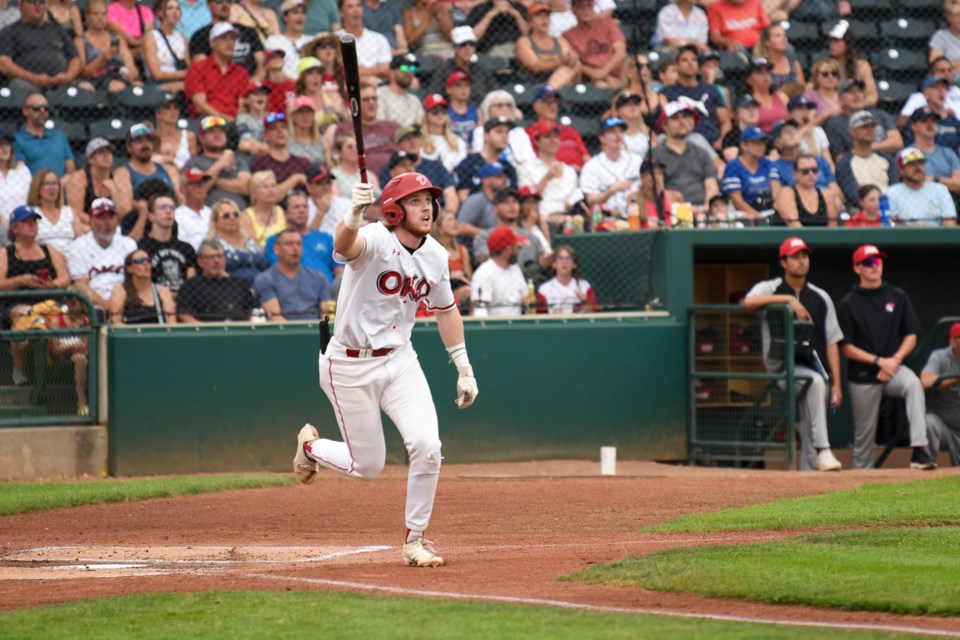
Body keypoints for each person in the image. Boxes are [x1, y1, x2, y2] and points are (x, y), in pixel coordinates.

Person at [294, 173, 477, 568]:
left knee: (428, 447)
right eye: (415, 201)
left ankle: (416, 539)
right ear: (394, 209)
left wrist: (463, 367)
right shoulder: (375, 237)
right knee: (368, 467)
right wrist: (354, 211)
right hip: (348, 363)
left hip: (399, 359)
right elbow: (343, 247)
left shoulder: (436, 256)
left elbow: (446, 310)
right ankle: (309, 446)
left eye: (429, 199)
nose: (426, 207)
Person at [743, 237, 843, 472]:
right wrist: (787, 300)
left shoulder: (820, 296)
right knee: (815, 384)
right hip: (781, 365)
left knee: (814, 399)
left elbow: (832, 342)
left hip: (810, 363)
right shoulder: (772, 287)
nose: (801, 261)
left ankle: (808, 471)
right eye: (795, 257)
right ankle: (823, 450)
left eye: (804, 256)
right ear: (784, 262)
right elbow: (748, 303)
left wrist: (837, 383)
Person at [837, 244, 935, 471]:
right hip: (863, 374)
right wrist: (878, 361)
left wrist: (894, 360)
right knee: (864, 438)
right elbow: (846, 347)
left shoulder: (897, 296)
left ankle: (920, 449)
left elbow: (911, 335)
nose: (875, 267)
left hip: (894, 369)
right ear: (857, 268)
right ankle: (862, 479)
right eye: (869, 263)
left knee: (913, 385)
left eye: (878, 262)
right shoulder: (849, 303)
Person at [0, 205, 72, 387]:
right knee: (27, 314)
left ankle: (59, 365)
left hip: (49, 300)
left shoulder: (49, 250)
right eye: (26, 221)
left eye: (34, 221)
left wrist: (52, 285)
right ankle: (19, 368)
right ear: (14, 228)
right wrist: (22, 280)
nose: (32, 225)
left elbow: (65, 277)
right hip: (16, 302)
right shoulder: (5, 253)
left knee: (57, 314)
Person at [65, 198, 138, 313]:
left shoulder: (128, 244)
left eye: (111, 217)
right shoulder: (78, 246)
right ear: (91, 221)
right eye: (101, 218)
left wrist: (119, 305)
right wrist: (108, 307)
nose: (107, 223)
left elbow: (135, 281)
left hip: (127, 301)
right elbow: (82, 285)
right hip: (94, 304)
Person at [0, 0, 84, 94]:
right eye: (32, 2)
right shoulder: (10, 31)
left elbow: (75, 58)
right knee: (19, 86)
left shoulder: (57, 29)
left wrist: (68, 76)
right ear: (21, 6)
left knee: (86, 87)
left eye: (41, 2)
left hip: (62, 82)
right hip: (28, 83)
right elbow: (3, 63)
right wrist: (34, 78)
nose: (38, 5)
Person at [113, 123, 177, 241]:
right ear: (129, 147)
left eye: (148, 140)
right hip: (139, 225)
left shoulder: (166, 169)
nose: (145, 144)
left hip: (168, 225)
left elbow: (179, 199)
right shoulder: (123, 172)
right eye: (139, 141)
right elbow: (125, 208)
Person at [660, 44, 731, 149]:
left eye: (694, 60)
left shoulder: (711, 90)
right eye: (684, 60)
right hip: (684, 142)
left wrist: (721, 141)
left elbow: (725, 122)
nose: (690, 63)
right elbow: (667, 123)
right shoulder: (667, 92)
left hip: (712, 142)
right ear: (676, 65)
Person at [264, 190, 340, 285]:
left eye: (305, 206)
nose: (302, 210)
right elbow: (280, 272)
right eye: (296, 207)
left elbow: (340, 271)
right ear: (285, 213)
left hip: (329, 293)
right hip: (296, 292)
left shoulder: (325, 238)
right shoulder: (275, 241)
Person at [324, 81, 399, 177]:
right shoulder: (346, 129)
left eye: (374, 98)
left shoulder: (392, 127)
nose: (371, 102)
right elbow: (338, 158)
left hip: (393, 176)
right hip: (359, 178)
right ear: (356, 104)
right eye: (366, 99)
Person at [653, 101, 720, 208]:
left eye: (686, 117)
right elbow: (657, 192)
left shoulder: (701, 152)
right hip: (673, 211)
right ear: (665, 125)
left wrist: (707, 208)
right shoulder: (655, 155)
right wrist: (686, 209)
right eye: (675, 118)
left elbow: (711, 186)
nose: (682, 122)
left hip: (704, 210)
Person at [176, 239, 256, 322]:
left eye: (220, 256)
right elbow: (183, 314)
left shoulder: (240, 284)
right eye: (211, 257)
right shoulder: (191, 286)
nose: (216, 261)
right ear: (200, 262)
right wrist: (206, 331)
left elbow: (249, 312)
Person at [578, 116, 641, 219]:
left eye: (621, 131)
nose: (618, 136)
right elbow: (591, 200)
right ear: (602, 138)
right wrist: (611, 190)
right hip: (607, 219)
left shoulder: (636, 161)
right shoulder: (592, 166)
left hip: (636, 215)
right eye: (612, 132)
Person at [185, 22, 251, 119]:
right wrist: (223, 118)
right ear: (212, 43)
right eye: (224, 38)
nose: (229, 42)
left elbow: (242, 105)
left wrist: (235, 120)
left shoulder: (241, 72)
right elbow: (199, 106)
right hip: (206, 120)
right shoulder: (198, 69)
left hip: (234, 121)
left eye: (232, 38)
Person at [823, 79, 902, 160]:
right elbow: (840, 158)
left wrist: (865, 148)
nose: (856, 95)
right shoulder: (835, 123)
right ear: (840, 100)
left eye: (859, 91)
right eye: (850, 92)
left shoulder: (880, 114)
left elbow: (897, 142)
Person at [184, 116, 252, 209]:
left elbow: (246, 188)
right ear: (202, 138)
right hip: (209, 215)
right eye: (211, 132)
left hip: (240, 214)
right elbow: (199, 188)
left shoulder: (239, 161)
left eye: (221, 131)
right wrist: (220, 164)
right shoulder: (194, 162)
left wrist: (211, 179)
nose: (217, 135)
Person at [517, 120, 580, 220]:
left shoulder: (569, 171)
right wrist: (547, 177)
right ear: (537, 141)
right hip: (541, 218)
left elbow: (575, 198)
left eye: (555, 136)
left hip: (567, 218)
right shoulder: (526, 168)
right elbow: (527, 202)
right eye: (547, 136)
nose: (553, 140)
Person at [834, 111, 898, 209]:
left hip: (890, 207)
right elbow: (853, 195)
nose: (870, 130)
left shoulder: (888, 160)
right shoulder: (844, 164)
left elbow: (895, 189)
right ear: (853, 132)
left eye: (872, 126)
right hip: (862, 212)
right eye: (864, 127)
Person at [138, 193, 197, 295]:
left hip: (184, 300)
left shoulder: (186, 248)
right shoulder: (142, 247)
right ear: (151, 216)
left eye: (171, 208)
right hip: (154, 300)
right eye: (162, 208)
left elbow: (191, 283)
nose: (168, 211)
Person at [189, 0, 264, 79]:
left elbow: (262, 63)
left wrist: (252, 83)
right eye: (219, 1)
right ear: (208, 5)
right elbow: (201, 68)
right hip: (218, 83)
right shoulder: (200, 36)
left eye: (228, 1)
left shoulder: (248, 31)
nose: (224, 4)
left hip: (251, 82)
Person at [886, 147, 958, 227]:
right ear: (901, 170)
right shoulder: (891, 193)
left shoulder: (940, 190)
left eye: (920, 163)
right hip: (904, 237)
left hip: (936, 237)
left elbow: (950, 223)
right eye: (912, 164)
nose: (917, 168)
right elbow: (890, 225)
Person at [721, 126, 779, 223]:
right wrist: (758, 216)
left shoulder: (768, 164)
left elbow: (777, 192)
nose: (762, 146)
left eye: (763, 142)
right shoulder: (733, 167)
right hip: (744, 212)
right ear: (744, 145)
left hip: (768, 210)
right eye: (756, 143)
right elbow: (736, 200)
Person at [921, 323, 960, 467]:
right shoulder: (940, 357)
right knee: (928, 423)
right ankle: (928, 466)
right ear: (953, 341)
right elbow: (925, 380)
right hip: (944, 425)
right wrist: (955, 378)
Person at [562, 0, 625, 88]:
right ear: (573, 10)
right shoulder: (568, 35)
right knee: (600, 85)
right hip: (589, 79)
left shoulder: (607, 24)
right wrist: (596, 74)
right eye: (581, 7)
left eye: (589, 5)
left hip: (616, 75)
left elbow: (621, 52)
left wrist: (603, 72)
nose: (586, 10)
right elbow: (574, 62)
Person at [81, 0, 140, 93]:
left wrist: (130, 74)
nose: (100, 18)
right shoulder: (81, 40)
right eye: (95, 14)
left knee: (139, 86)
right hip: (97, 78)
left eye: (104, 14)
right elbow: (83, 72)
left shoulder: (117, 38)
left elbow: (133, 68)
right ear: (87, 16)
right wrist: (102, 58)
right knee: (117, 87)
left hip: (119, 75)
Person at [516, 3, 579, 89]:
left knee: (575, 65)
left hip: (561, 81)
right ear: (530, 23)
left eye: (547, 16)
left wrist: (572, 59)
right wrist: (561, 62)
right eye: (538, 16)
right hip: (534, 82)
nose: (544, 19)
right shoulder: (524, 41)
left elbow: (569, 59)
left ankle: (548, 90)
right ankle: (548, 90)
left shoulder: (560, 40)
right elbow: (535, 66)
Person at [454, 117, 518, 200]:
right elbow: (463, 196)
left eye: (507, 132)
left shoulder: (508, 168)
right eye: (499, 131)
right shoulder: (468, 164)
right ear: (486, 136)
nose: (505, 136)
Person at [470, 224, 528, 316]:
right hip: (496, 327)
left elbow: (525, 296)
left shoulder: (515, 268)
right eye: (515, 246)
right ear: (507, 250)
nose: (518, 250)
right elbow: (479, 312)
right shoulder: (484, 273)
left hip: (519, 325)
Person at [13, 93, 75, 178]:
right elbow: (20, 173)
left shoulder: (60, 136)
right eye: (36, 108)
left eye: (46, 108)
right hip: (32, 190)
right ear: (25, 111)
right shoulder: (18, 140)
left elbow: (70, 168)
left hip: (60, 188)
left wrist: (60, 184)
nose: (42, 111)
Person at [108, 248, 177, 324]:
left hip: (158, 333)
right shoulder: (120, 290)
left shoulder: (162, 291)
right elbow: (116, 321)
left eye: (148, 260)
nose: (145, 264)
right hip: (130, 334)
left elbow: (171, 321)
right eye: (140, 261)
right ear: (129, 268)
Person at [209, 198, 269, 284]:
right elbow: (215, 273)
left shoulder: (250, 242)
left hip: (262, 289)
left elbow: (265, 267)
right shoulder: (213, 245)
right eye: (226, 216)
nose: (232, 218)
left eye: (236, 214)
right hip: (232, 290)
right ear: (215, 221)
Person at [906, 107, 960, 197]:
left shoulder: (948, 153)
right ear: (914, 126)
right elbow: (909, 183)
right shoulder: (907, 154)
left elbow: (958, 184)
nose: (930, 125)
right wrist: (948, 183)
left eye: (933, 121)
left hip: (948, 202)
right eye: (924, 121)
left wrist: (935, 179)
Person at [250, 112, 311, 193]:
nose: (280, 131)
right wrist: (295, 179)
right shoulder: (260, 165)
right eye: (273, 128)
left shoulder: (303, 163)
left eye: (283, 127)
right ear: (265, 135)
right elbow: (267, 195)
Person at [773, 154, 838, 227]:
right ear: (795, 173)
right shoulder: (786, 193)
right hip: (796, 237)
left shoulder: (827, 195)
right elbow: (793, 225)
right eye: (805, 171)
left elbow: (832, 226)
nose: (811, 174)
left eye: (814, 170)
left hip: (824, 237)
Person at [826, 20, 877, 108]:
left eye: (836, 41)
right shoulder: (825, 66)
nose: (832, 45)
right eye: (831, 41)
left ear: (847, 43)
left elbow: (872, 96)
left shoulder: (862, 66)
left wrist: (859, 105)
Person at [142, 0, 190, 92]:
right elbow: (157, 75)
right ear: (160, 13)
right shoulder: (151, 37)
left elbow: (188, 66)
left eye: (177, 8)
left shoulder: (182, 38)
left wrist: (184, 74)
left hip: (180, 81)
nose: (175, 12)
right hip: (157, 85)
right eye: (170, 8)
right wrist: (184, 73)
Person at [900, 77, 960, 150]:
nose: (941, 90)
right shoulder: (920, 116)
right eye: (936, 88)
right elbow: (911, 142)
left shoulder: (952, 119)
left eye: (944, 88)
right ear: (925, 94)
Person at [29, 170, 81, 255]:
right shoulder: (32, 213)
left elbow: (81, 239)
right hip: (43, 260)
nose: (52, 187)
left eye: (55, 184)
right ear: (38, 188)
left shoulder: (68, 211)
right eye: (47, 184)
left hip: (70, 259)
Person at [336, 0, 390, 80]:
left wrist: (359, 71)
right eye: (350, 6)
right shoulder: (335, 38)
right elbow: (342, 71)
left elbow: (386, 70)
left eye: (359, 5)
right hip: (347, 86)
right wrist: (376, 70)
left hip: (380, 87)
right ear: (341, 13)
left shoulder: (379, 38)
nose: (356, 10)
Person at [535, 245, 597, 314]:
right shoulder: (544, 290)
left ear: (574, 265)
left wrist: (585, 302)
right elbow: (540, 318)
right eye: (560, 258)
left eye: (569, 258)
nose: (564, 261)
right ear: (554, 264)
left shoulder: (584, 286)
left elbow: (594, 315)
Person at [899, 58, 960, 127]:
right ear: (931, 75)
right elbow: (902, 122)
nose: (947, 73)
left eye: (949, 70)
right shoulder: (920, 97)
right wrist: (937, 115)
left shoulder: (957, 91)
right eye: (942, 71)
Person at [456, 161, 506, 242]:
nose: (504, 179)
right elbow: (461, 227)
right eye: (498, 176)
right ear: (485, 180)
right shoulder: (476, 200)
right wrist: (491, 234)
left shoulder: (504, 200)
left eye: (504, 175)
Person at [420, 94, 467, 174]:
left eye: (444, 110)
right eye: (435, 110)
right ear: (426, 114)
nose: (440, 114)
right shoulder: (418, 140)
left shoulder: (458, 141)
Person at [432, 210, 471, 306]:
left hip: (461, 288)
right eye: (449, 220)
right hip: (441, 290)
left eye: (454, 219)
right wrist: (451, 275)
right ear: (439, 227)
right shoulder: (434, 250)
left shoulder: (462, 250)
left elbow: (469, 276)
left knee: (468, 290)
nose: (455, 223)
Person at [263, 0, 309, 79]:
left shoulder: (311, 41)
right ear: (285, 17)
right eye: (295, 12)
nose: (300, 16)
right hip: (282, 85)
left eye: (303, 13)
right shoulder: (273, 41)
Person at [240, 170, 285, 247]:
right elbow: (253, 246)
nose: (271, 190)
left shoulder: (282, 212)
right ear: (254, 193)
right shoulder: (245, 216)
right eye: (265, 187)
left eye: (273, 186)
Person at [378, 54, 424, 128]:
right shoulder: (379, 95)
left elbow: (421, 126)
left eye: (412, 68)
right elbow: (381, 127)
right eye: (404, 68)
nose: (409, 72)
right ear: (392, 72)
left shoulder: (414, 100)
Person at [329, 132, 382, 196]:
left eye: (357, 146)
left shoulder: (370, 175)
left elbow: (377, 200)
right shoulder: (333, 175)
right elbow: (336, 201)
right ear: (339, 152)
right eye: (350, 147)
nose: (354, 150)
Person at [742, 57, 787, 133]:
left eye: (768, 71)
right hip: (760, 140)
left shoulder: (781, 97)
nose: (765, 75)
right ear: (749, 80)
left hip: (783, 138)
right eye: (759, 72)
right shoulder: (746, 101)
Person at [753, 23, 803, 91]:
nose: (784, 39)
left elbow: (801, 90)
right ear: (767, 42)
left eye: (785, 35)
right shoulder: (761, 66)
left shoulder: (795, 65)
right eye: (778, 36)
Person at [305, 164, 351, 235]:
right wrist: (321, 212)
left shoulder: (346, 203)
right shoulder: (302, 207)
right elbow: (308, 238)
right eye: (320, 183)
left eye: (328, 182)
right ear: (309, 187)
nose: (326, 187)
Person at [175, 168, 213, 250]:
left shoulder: (212, 213)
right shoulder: (177, 215)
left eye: (203, 184)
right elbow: (181, 243)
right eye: (196, 184)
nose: (201, 187)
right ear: (183, 189)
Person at [0, 130, 30, 227]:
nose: (5, 148)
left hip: (24, 221)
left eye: (7, 144)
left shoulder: (22, 171)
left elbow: (33, 199)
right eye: (0, 144)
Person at [802, 58, 842, 127]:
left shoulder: (844, 94)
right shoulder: (810, 96)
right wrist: (826, 115)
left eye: (834, 74)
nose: (830, 77)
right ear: (817, 77)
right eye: (825, 74)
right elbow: (805, 125)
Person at [721, 94, 761, 161]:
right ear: (737, 113)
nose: (751, 111)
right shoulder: (731, 136)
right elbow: (732, 161)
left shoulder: (763, 135)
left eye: (754, 107)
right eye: (746, 107)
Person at [444, 70, 479, 144]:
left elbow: (480, 138)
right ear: (448, 89)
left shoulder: (476, 112)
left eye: (467, 85)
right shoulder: (444, 112)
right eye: (458, 85)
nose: (464, 89)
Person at [930, 1, 960, 74]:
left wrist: (953, 64)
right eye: (956, 15)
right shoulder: (941, 36)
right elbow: (936, 63)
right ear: (948, 17)